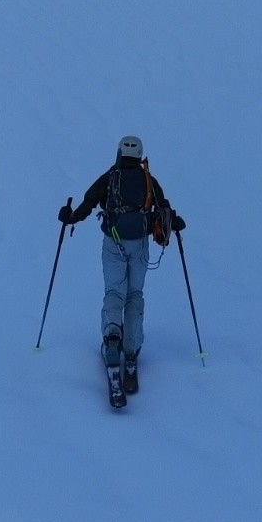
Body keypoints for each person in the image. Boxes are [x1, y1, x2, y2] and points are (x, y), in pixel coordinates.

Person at [58, 135, 185, 394]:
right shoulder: (148, 179)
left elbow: (89, 201)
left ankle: (112, 339)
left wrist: (70, 218)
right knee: (135, 293)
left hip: (113, 242)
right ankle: (132, 347)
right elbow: (163, 207)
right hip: (140, 244)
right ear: (139, 154)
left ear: (119, 152)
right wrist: (175, 222)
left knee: (114, 292)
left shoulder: (110, 176)